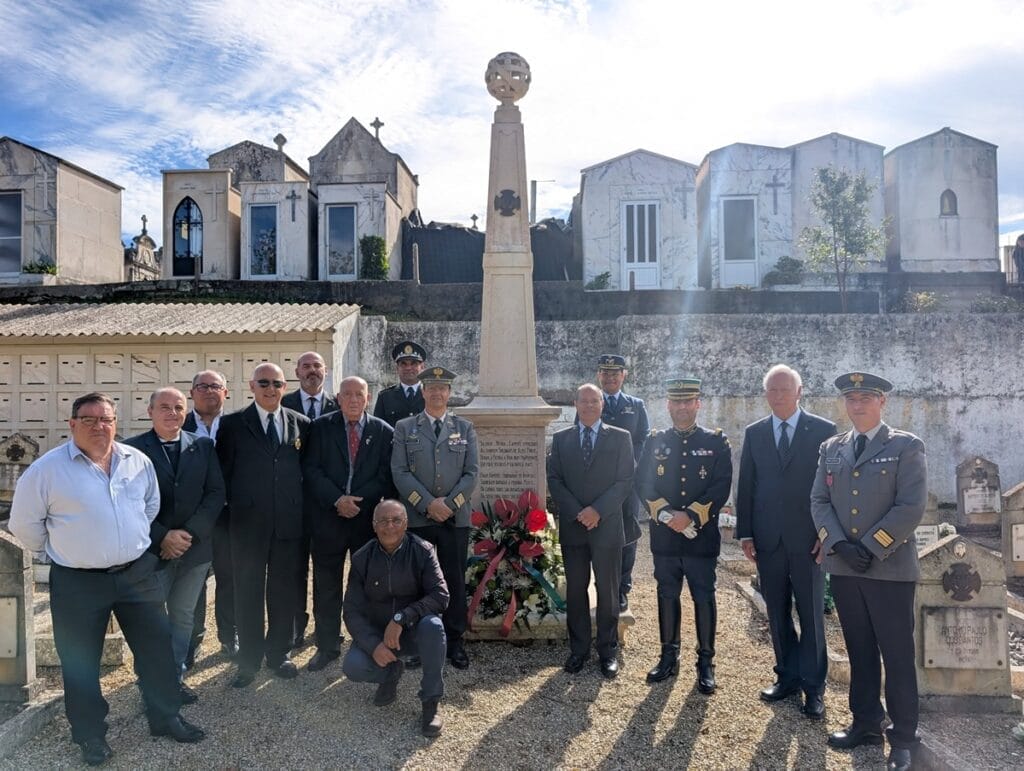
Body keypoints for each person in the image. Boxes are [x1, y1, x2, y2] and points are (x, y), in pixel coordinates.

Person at [9, 393, 204, 767]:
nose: (99, 426)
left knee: (157, 650)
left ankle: (166, 717)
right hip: (79, 582)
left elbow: (149, 506)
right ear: (72, 424)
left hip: (137, 575)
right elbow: (24, 525)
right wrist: (63, 551)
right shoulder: (47, 470)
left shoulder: (136, 461)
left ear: (116, 423)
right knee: (81, 662)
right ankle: (90, 736)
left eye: (106, 419)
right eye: (89, 419)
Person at [811, 372, 926, 771]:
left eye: (865, 398)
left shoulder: (905, 446)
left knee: (897, 655)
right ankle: (866, 723)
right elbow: (819, 500)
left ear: (882, 402)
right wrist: (838, 544)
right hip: (845, 566)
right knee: (859, 650)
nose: (857, 405)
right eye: (851, 398)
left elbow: (911, 506)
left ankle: (904, 738)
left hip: (889, 569)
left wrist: (872, 546)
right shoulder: (832, 448)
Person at [735, 365, 836, 719]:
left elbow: (832, 487)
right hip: (768, 540)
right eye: (772, 390)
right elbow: (746, 484)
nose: (778, 396)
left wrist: (827, 534)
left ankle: (814, 687)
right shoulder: (755, 432)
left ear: (799, 392)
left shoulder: (823, 431)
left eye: (784, 389)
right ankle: (787, 676)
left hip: (809, 541)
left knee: (811, 616)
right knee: (777, 612)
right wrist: (745, 532)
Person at [124, 387, 225, 704]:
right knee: (151, 619)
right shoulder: (131, 450)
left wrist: (188, 534)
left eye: (178, 407)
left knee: (183, 617)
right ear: (150, 411)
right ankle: (150, 682)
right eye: (164, 407)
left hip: (194, 551)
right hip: (151, 552)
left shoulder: (203, 446)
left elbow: (215, 494)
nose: (172, 413)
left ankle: (174, 679)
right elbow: (127, 502)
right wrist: (162, 536)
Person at [216, 363, 311, 687]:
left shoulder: (301, 423)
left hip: (288, 525)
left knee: (283, 591)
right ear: (252, 386)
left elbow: (304, 472)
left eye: (277, 383)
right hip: (247, 526)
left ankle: (278, 653)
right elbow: (223, 474)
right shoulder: (232, 425)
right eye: (264, 383)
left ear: (285, 387)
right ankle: (249, 660)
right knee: (248, 593)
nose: (271, 389)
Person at [636, 378, 731, 693]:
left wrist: (689, 515)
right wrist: (667, 514)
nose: (681, 407)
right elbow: (643, 483)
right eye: (676, 402)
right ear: (668, 405)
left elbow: (720, 485)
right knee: (667, 594)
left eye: (688, 401)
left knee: (703, 596)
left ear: (697, 404)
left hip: (700, 537)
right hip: (665, 537)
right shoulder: (655, 441)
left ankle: (706, 663)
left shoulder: (716, 441)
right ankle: (668, 656)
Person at [302, 376, 394, 672]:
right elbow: (311, 469)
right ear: (338, 398)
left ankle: (366, 643)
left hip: (365, 521)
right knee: (326, 585)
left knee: (366, 586)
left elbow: (384, 476)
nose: (353, 400)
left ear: (368, 398)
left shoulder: (383, 431)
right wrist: (337, 500)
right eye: (347, 394)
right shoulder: (320, 427)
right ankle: (327, 645)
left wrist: (356, 502)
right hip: (328, 519)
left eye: (359, 394)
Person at [391, 366, 478, 670]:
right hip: (419, 518)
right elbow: (399, 471)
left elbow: (471, 473)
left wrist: (449, 505)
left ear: (449, 393)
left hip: (455, 519)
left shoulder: (464, 428)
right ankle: (417, 642)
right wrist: (428, 504)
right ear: (423, 392)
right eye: (431, 388)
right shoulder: (405, 427)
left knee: (453, 579)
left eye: (442, 388)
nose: (437, 393)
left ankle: (454, 642)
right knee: (417, 582)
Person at [547, 383, 634, 679]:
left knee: (608, 591)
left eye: (594, 401)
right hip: (574, 527)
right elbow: (555, 480)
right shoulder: (562, 439)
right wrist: (578, 512)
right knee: (576, 589)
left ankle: (607, 651)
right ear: (575, 404)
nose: (588, 406)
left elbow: (625, 480)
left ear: (602, 404)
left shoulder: (621, 438)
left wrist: (597, 511)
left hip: (606, 526)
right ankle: (579, 649)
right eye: (583, 401)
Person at [342, 500, 449, 738]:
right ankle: (390, 673)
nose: (389, 526)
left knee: (434, 626)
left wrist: (401, 618)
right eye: (383, 521)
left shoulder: (423, 551)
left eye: (396, 520)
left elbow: (440, 596)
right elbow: (351, 610)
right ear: (374, 525)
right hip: (379, 634)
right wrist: (373, 645)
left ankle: (431, 702)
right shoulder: (361, 558)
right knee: (353, 667)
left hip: (414, 630)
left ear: (406, 524)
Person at [281, 351, 339, 649]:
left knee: (327, 571)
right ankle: (295, 627)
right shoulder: (283, 404)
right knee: (295, 569)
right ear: (297, 372)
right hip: (295, 503)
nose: (312, 370)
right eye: (306, 366)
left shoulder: (338, 404)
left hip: (328, 505)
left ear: (325, 371)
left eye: (317, 366)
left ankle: (326, 628)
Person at [183, 369, 234, 664]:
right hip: (194, 519)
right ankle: (192, 640)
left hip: (230, 518)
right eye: (202, 386)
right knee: (194, 581)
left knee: (230, 579)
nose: (209, 391)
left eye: (215, 386)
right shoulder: (179, 425)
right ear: (192, 393)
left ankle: (229, 636)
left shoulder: (238, 426)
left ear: (225, 392)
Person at [595, 354, 649, 611]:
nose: (610, 378)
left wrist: (629, 463)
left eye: (615, 373)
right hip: (598, 483)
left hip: (628, 482)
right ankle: (602, 585)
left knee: (628, 533)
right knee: (599, 532)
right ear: (599, 375)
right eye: (605, 373)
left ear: (623, 375)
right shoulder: (591, 403)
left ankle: (622, 587)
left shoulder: (635, 406)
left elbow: (643, 439)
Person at [374, 341, 427, 427]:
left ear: (422, 367)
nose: (408, 368)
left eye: (413, 363)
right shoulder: (385, 397)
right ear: (397, 368)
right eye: (403, 364)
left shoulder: (431, 394)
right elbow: (378, 428)